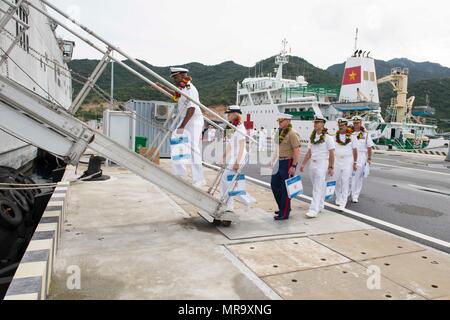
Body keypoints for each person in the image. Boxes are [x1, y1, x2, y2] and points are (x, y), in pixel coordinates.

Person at [157, 67, 205, 188]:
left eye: (175, 76)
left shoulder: (190, 88)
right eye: (173, 77)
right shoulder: (182, 87)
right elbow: (176, 95)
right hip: (186, 119)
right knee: (176, 141)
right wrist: (162, 87)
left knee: (194, 148)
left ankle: (199, 179)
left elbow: (192, 108)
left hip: (194, 119)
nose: (174, 79)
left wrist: (182, 126)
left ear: (183, 75)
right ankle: (180, 172)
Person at [220, 106, 255, 212]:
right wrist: (223, 156)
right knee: (228, 180)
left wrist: (237, 162)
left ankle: (229, 204)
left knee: (227, 179)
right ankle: (227, 201)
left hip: (239, 157)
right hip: (233, 156)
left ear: (235, 114)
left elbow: (241, 146)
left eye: (229, 114)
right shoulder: (231, 127)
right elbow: (230, 144)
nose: (228, 116)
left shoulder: (240, 128)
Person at [300, 116, 335, 219]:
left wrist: (331, 167)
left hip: (322, 163)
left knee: (317, 187)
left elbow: (332, 153)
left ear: (323, 124)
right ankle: (320, 204)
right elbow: (309, 152)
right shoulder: (312, 137)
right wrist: (303, 164)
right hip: (313, 164)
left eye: (318, 122)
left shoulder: (328, 137)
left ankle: (313, 210)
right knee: (319, 185)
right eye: (314, 122)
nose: (315, 124)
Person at [271, 113, 301, 221]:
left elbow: (297, 151)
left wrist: (293, 166)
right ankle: (282, 207)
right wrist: (272, 161)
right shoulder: (280, 132)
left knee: (285, 189)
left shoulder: (292, 134)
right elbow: (277, 148)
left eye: (281, 121)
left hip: (288, 162)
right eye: (279, 121)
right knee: (274, 185)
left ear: (288, 121)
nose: (279, 123)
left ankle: (285, 213)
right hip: (279, 161)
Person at [334, 119, 358, 211]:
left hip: (348, 161)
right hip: (337, 160)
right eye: (339, 125)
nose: (341, 127)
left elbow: (355, 151)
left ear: (346, 126)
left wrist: (355, 163)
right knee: (337, 180)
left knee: (345, 181)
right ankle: (338, 198)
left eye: (343, 125)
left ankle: (343, 202)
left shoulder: (352, 137)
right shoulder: (334, 137)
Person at [351, 116, 374, 203]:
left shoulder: (365, 134)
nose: (355, 125)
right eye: (354, 123)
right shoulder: (350, 133)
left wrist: (369, 158)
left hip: (361, 156)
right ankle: (349, 191)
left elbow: (369, 147)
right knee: (350, 175)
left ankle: (355, 195)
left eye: (357, 123)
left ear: (361, 123)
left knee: (358, 177)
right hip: (351, 155)